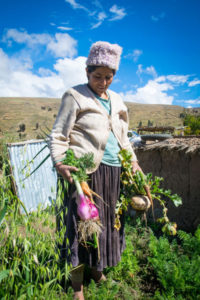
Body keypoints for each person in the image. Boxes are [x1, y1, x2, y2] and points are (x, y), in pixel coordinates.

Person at [50, 41, 142, 300]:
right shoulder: (75, 95)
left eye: (108, 77)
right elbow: (58, 135)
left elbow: (123, 137)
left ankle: (96, 269)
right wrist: (60, 163)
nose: (103, 82)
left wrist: (132, 161)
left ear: (114, 76)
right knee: (79, 228)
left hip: (113, 174)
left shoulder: (117, 100)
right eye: (97, 76)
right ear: (87, 73)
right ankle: (77, 286)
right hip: (84, 175)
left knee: (107, 228)